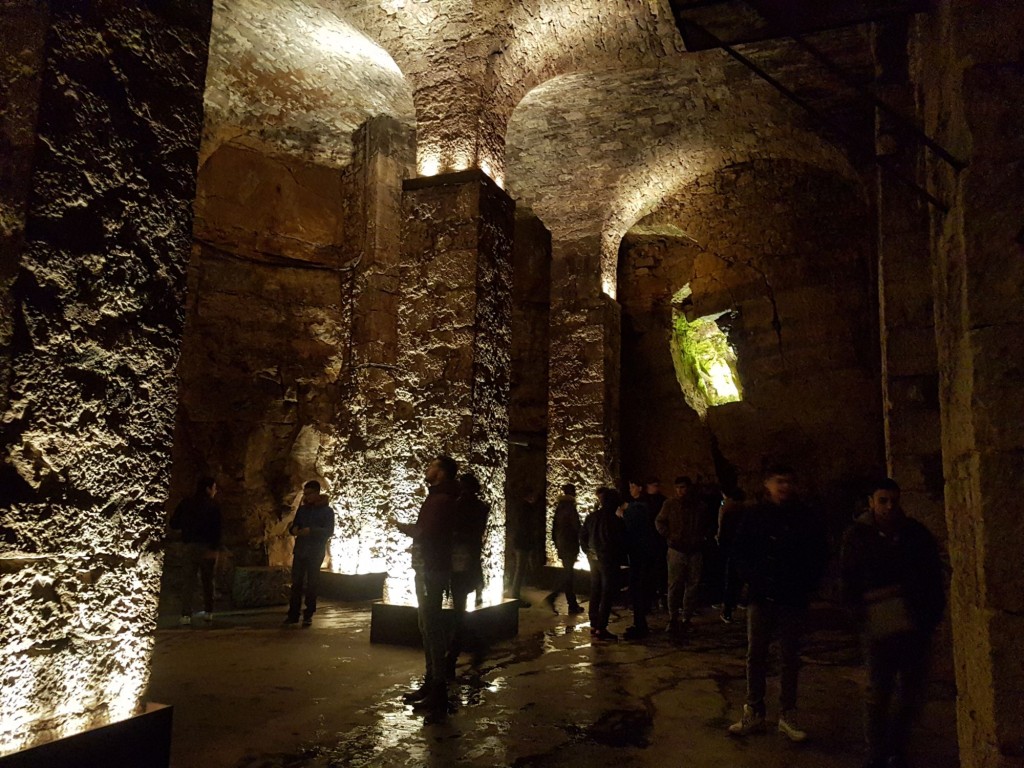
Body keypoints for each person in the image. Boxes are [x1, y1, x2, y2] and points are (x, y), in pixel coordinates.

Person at [840, 479, 945, 768]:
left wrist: (930, 615)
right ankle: (876, 752)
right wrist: (862, 616)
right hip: (879, 624)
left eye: (893, 501)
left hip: (914, 624)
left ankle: (897, 748)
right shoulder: (858, 536)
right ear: (871, 502)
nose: (889, 507)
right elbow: (848, 580)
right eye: (883, 500)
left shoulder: (915, 534)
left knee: (911, 692)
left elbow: (933, 578)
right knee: (878, 690)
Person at [728, 465, 827, 742]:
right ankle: (754, 710)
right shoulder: (755, 516)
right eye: (778, 481)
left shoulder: (804, 517)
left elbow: (818, 553)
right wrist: (752, 577)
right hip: (762, 595)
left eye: (788, 481)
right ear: (767, 484)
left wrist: (806, 583)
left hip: (791, 597)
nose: (784, 486)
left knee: (789, 657)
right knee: (755, 655)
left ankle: (787, 713)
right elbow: (739, 552)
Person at [397, 454, 459, 719]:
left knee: (431, 626)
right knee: (426, 625)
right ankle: (431, 682)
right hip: (429, 567)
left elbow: (428, 532)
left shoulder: (441, 499)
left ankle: (438, 690)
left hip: (431, 569)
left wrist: (405, 528)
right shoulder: (439, 497)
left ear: (442, 472)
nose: (427, 468)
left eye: (432, 465)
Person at [446, 472, 490, 676]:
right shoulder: (480, 507)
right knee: (461, 605)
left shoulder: (457, 506)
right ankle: (472, 639)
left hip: (459, 560)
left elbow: (454, 531)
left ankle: (454, 650)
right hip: (470, 558)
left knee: (459, 606)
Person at [655, 476, 708, 631]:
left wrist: (701, 538)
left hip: (694, 550)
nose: (680, 491)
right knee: (674, 585)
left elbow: (707, 524)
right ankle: (673, 617)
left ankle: (687, 617)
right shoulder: (670, 504)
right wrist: (670, 535)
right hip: (677, 549)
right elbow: (659, 521)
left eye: (683, 487)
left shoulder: (700, 506)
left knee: (692, 585)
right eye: (678, 488)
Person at [170, 476, 222, 625]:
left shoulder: (186, 503)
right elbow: (217, 529)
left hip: (189, 546)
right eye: (214, 487)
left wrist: (186, 528)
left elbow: (174, 523)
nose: (215, 491)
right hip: (207, 547)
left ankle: (186, 614)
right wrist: (215, 548)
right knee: (208, 580)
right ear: (208, 489)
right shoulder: (213, 506)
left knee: (188, 581)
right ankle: (209, 612)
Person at [284, 480, 334, 628]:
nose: (306, 497)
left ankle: (308, 613)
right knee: (296, 583)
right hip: (300, 551)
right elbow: (294, 524)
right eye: (305, 494)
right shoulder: (303, 509)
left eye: (309, 494)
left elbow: (329, 531)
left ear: (317, 493)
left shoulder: (327, 511)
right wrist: (293, 529)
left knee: (312, 583)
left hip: (314, 551)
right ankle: (293, 614)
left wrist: (311, 531)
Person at [580, 487, 627, 640]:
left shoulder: (592, 517)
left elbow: (583, 537)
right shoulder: (615, 521)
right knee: (607, 592)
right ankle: (601, 627)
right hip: (608, 559)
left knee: (595, 589)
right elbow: (620, 542)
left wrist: (588, 552)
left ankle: (594, 624)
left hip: (593, 559)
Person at [621, 481, 662, 639]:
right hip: (643, 554)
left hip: (640, 555)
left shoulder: (639, 508)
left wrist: (624, 514)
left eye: (632, 486)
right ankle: (640, 622)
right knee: (640, 588)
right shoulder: (641, 507)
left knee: (638, 588)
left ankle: (640, 625)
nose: (630, 489)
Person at [544, 483, 584, 615]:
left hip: (562, 545)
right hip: (569, 545)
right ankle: (568, 603)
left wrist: (556, 543)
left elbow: (554, 529)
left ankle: (567, 601)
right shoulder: (570, 509)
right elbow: (576, 528)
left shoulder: (559, 508)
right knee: (568, 575)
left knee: (568, 573)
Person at [509, 487, 545, 608]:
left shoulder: (520, 507)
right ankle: (515, 596)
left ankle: (516, 594)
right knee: (520, 570)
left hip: (520, 542)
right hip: (523, 542)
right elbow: (526, 527)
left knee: (520, 569)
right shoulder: (526, 508)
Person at [716, 487, 747, 624]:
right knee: (737, 580)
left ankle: (728, 608)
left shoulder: (730, 512)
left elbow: (723, 534)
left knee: (732, 580)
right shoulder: (745, 512)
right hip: (740, 551)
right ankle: (731, 605)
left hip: (734, 551)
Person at [643, 476, 669, 610]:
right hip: (649, 541)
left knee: (660, 570)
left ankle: (661, 596)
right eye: (654, 485)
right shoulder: (644, 502)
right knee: (650, 571)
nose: (657, 487)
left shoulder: (663, 501)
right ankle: (652, 597)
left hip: (659, 541)